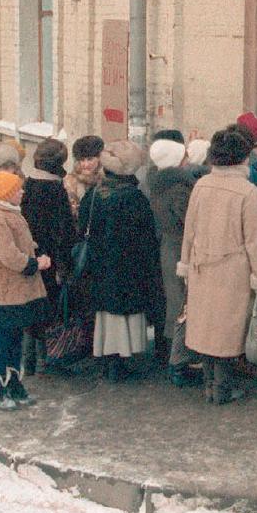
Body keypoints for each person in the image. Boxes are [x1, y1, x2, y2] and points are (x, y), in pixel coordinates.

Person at [179, 125, 257, 405]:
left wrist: (185, 263)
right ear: (242, 158)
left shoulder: (201, 185)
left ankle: (209, 385)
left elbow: (190, 230)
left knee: (205, 330)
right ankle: (221, 388)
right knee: (226, 333)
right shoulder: (248, 192)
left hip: (201, 266)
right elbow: (256, 241)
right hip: (233, 271)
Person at [84, 140, 162, 382]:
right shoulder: (133, 199)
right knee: (122, 318)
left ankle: (109, 359)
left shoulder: (95, 193)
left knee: (107, 317)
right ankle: (119, 360)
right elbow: (146, 238)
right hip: (128, 270)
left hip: (100, 267)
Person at [0, 172, 50, 410]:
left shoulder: (10, 213)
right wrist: (34, 263)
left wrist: (34, 250)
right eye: (18, 189)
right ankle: (0, 389)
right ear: (6, 193)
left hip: (16, 290)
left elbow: (19, 243)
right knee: (4, 339)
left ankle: (15, 386)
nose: (22, 192)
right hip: (5, 291)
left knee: (16, 337)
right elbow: (7, 254)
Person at [149, 138, 208, 386]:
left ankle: (174, 358)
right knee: (182, 305)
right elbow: (190, 223)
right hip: (180, 250)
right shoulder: (179, 189)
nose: (187, 160)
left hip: (168, 247)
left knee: (176, 302)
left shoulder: (158, 184)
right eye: (183, 156)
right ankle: (179, 363)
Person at [21, 139, 76, 374]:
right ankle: (49, 357)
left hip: (29, 254)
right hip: (50, 257)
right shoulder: (55, 190)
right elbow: (63, 231)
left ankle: (28, 359)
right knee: (49, 308)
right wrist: (66, 263)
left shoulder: (28, 184)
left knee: (30, 305)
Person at [64, 135, 104, 218]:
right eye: (82, 160)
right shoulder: (71, 181)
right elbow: (68, 212)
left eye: (90, 159)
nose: (86, 164)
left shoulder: (106, 179)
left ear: (99, 158)